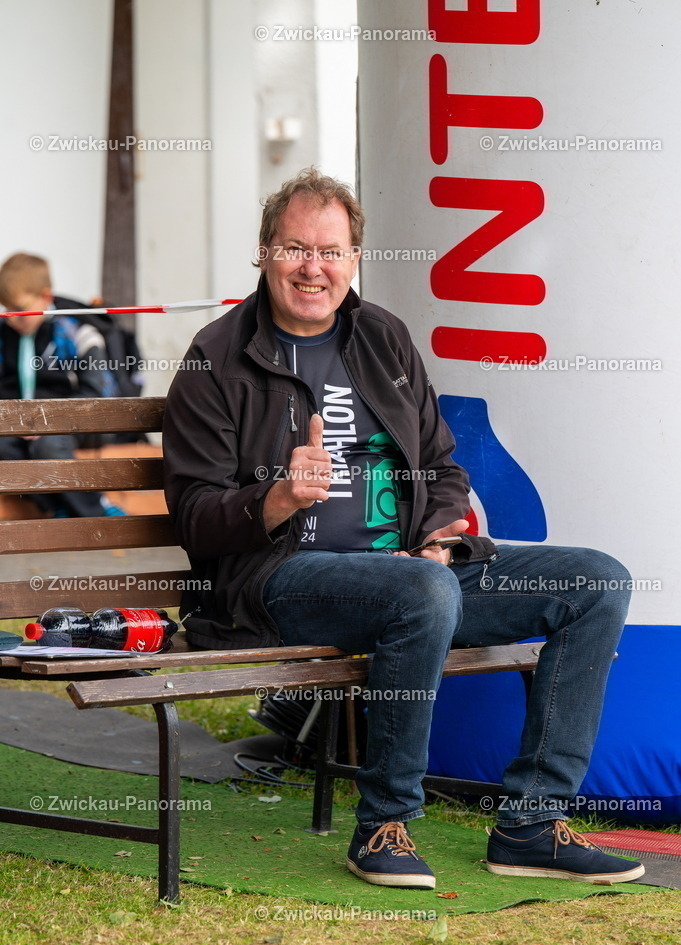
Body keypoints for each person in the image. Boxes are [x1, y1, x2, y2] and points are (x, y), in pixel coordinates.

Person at [163, 168, 644, 889]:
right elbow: (197, 516)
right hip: (280, 582)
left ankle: (531, 825)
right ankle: (383, 826)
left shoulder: (380, 337)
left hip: (416, 575)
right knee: (418, 592)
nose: (312, 267)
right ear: (263, 252)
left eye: (330, 251)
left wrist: (441, 535)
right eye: (294, 247)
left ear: (354, 258)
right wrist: (278, 499)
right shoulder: (217, 358)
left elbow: (440, 466)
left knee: (593, 581)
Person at [0, 253, 125, 518]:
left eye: (20, 311)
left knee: (47, 445)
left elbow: (97, 393)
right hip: (18, 424)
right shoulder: (4, 335)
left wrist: (47, 421)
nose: (12, 319)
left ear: (46, 297)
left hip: (75, 422)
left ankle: (95, 512)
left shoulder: (77, 332)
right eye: (7, 311)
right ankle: (56, 505)